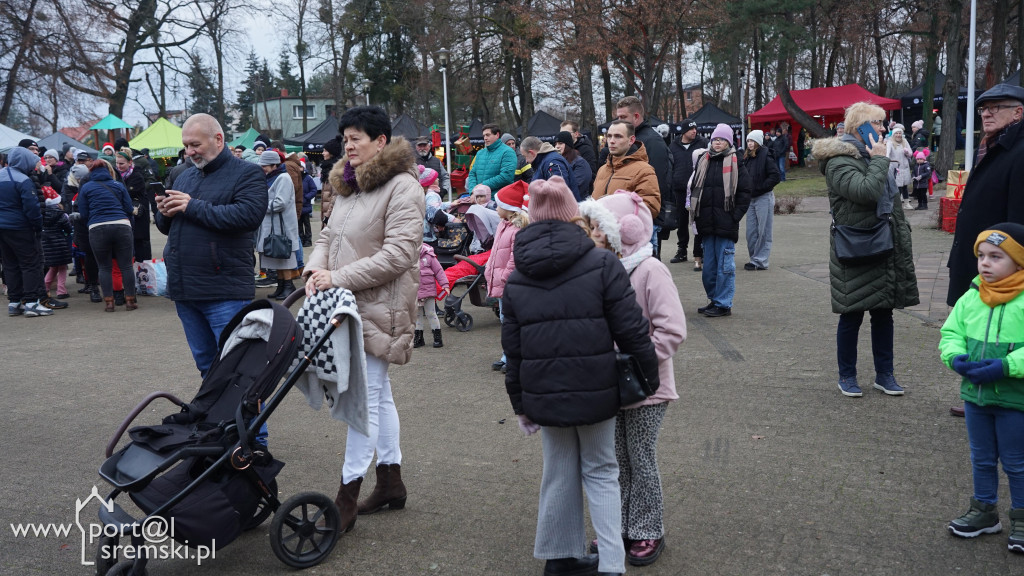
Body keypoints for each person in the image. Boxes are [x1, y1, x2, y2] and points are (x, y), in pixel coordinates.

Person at [502, 176, 659, 576]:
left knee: (557, 471)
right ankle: (611, 565)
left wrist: (520, 404)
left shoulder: (518, 275)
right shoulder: (603, 263)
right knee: (603, 471)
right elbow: (632, 329)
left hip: (544, 394)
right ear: (574, 215)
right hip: (597, 389)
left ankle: (560, 557)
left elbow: (513, 349)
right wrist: (649, 378)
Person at [304, 105, 423, 535]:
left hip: (381, 308)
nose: (348, 145)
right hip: (347, 305)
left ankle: (346, 498)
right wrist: (314, 271)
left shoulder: (403, 189)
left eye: (357, 138)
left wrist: (337, 276)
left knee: (364, 403)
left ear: (381, 142)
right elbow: (327, 236)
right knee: (380, 395)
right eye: (345, 138)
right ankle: (391, 482)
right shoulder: (348, 185)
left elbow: (399, 255)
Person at [595, 190, 685, 567]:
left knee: (641, 459)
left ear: (623, 232)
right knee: (615, 461)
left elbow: (672, 330)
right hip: (612, 384)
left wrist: (635, 361)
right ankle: (616, 527)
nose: (594, 234)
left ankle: (648, 529)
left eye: (600, 228)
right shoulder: (604, 269)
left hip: (648, 387)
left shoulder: (650, 270)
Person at [811, 102, 919, 398]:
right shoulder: (838, 161)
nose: (884, 129)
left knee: (884, 313)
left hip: (883, 243)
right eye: (878, 123)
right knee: (852, 313)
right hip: (856, 247)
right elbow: (865, 192)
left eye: (883, 123)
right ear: (861, 128)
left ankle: (885, 374)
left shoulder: (873, 155)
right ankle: (847, 376)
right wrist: (880, 161)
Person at [155, 113, 268, 376]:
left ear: (218, 139)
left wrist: (191, 206)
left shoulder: (248, 173)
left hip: (224, 289)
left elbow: (247, 216)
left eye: (195, 145)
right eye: (186, 145)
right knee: (206, 366)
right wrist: (165, 213)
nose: (189, 151)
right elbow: (167, 227)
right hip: (185, 289)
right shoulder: (184, 176)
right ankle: (215, 418)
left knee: (237, 370)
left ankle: (248, 420)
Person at [940, 223, 1024, 552]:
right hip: (975, 397)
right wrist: (956, 359)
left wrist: (1006, 366)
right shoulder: (972, 296)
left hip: (1015, 400)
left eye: (996, 257)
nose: (985, 263)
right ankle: (985, 510)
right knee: (982, 458)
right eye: (981, 256)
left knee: (1017, 461)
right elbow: (951, 333)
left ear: (1019, 263)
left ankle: (1021, 514)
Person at [946, 84, 1024, 417]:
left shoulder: (1018, 151)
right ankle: (978, 390)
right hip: (980, 259)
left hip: (1002, 263)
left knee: (1000, 329)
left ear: (1018, 112)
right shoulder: (990, 146)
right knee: (976, 326)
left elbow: (1018, 214)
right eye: (983, 109)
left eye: (996, 107)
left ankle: (993, 396)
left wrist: (1011, 262)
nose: (987, 113)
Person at [690, 124, 751, 317]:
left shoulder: (736, 161)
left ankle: (723, 304)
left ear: (729, 142)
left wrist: (734, 216)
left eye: (722, 140)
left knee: (724, 267)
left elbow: (745, 192)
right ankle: (714, 299)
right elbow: (694, 189)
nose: (717, 142)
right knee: (708, 269)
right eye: (715, 139)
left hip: (726, 224)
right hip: (706, 223)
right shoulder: (703, 160)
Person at [77, 159, 138, 312]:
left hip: (97, 227)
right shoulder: (118, 185)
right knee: (126, 266)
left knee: (104, 267)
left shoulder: (85, 188)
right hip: (121, 226)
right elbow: (129, 208)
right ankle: (130, 301)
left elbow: (83, 213)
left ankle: (109, 303)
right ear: (109, 171)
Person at [615, 96, 672, 257]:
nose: (618, 121)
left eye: (623, 117)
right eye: (617, 117)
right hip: (627, 217)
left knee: (647, 273)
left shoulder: (652, 142)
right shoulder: (626, 140)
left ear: (636, 116)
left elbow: (658, 184)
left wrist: (646, 215)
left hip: (645, 219)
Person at [0, 147, 53, 317]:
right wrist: (38, 226)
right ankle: (32, 302)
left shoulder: (2, 175)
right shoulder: (23, 180)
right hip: (21, 228)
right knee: (30, 264)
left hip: (2, 229)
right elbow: (32, 208)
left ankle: (14, 302)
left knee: (10, 265)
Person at [485, 180, 530, 373]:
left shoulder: (517, 229)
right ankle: (507, 355)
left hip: (509, 282)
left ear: (510, 208)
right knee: (506, 320)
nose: (496, 207)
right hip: (503, 282)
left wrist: (505, 276)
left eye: (499, 204)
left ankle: (514, 357)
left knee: (513, 321)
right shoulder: (503, 225)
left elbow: (514, 256)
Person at [255, 150, 302, 300]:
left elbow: (280, 202)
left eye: (266, 165)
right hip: (276, 225)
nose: (263, 168)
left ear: (274, 164)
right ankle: (282, 286)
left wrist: (261, 206)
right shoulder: (274, 177)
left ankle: (288, 286)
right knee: (278, 258)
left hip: (282, 226)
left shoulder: (283, 178)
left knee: (284, 256)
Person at [592, 120, 660, 218]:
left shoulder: (644, 170)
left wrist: (613, 205)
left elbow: (651, 207)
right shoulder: (603, 169)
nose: (611, 141)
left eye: (618, 136)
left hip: (625, 231)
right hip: (599, 231)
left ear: (631, 140)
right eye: (609, 136)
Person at [740, 130, 780, 271]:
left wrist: (761, 188)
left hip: (763, 197)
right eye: (748, 141)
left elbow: (775, 176)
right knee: (751, 232)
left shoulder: (765, 155)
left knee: (764, 230)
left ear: (758, 142)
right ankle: (754, 258)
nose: (750, 143)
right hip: (750, 199)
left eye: (752, 141)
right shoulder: (747, 157)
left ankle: (760, 261)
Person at [668, 119, 707, 265]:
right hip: (680, 190)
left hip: (698, 189)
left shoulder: (703, 143)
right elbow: (670, 166)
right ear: (684, 131)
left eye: (695, 129)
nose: (694, 131)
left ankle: (700, 251)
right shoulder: (673, 146)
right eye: (691, 129)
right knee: (682, 222)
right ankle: (682, 250)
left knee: (699, 221)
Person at [115, 149, 152, 261]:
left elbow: (125, 193)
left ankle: (144, 272)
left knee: (140, 244)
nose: (118, 166)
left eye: (121, 163)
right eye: (117, 163)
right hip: (125, 216)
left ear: (130, 162)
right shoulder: (116, 175)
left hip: (138, 216)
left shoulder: (137, 176)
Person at [520, 136, 580, 200]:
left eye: (525, 156)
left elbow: (559, 191)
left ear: (532, 153)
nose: (526, 161)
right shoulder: (544, 162)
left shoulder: (552, 162)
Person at [40, 187, 72, 301]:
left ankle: (45, 288)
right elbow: (68, 229)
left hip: (47, 245)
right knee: (62, 268)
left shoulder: (41, 215)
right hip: (60, 243)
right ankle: (61, 290)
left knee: (52, 268)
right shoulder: (61, 214)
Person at [466, 123, 516, 194]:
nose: (485, 138)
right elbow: (472, 174)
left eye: (488, 135)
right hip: (479, 198)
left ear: (497, 135)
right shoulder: (480, 153)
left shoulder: (508, 152)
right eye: (484, 135)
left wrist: (483, 186)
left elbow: (506, 176)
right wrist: (472, 192)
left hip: (499, 199)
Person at [415, 243, 449, 348]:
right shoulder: (406, 257)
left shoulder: (429, 256)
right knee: (416, 315)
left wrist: (445, 284)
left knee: (431, 313)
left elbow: (439, 271)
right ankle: (418, 338)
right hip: (413, 291)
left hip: (428, 290)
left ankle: (437, 337)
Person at [554, 131, 593, 198]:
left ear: (568, 145)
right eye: (555, 144)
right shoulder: (556, 162)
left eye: (560, 143)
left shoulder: (580, 163)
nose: (557, 146)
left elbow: (577, 187)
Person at [886, 126, 913, 210]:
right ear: (893, 134)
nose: (898, 135)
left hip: (904, 167)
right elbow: (887, 153)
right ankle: (897, 204)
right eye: (896, 133)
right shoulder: (890, 142)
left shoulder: (904, 141)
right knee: (897, 187)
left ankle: (906, 203)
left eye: (900, 133)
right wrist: (887, 161)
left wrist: (907, 152)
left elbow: (910, 153)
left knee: (905, 186)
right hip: (895, 167)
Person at [320, 137, 342, 225]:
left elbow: (335, 196)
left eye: (325, 151)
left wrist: (327, 216)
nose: (323, 153)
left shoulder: (335, 170)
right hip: (327, 216)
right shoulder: (326, 169)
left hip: (331, 218)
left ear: (332, 153)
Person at [300, 160, 317, 246]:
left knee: (306, 223)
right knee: (299, 224)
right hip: (298, 205)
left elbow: (314, 189)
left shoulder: (308, 178)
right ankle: (301, 239)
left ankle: (308, 240)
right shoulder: (295, 178)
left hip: (305, 204)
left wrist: (307, 197)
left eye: (301, 167)